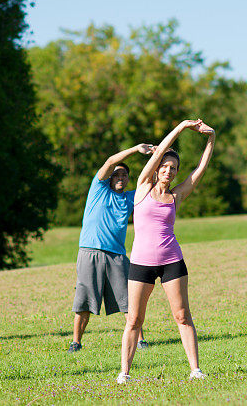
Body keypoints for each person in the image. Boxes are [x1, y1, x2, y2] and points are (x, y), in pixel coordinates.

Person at [118, 119, 215, 384]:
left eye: (174, 169)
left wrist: (211, 138)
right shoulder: (142, 188)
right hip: (141, 263)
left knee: (182, 315)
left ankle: (195, 369)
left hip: (172, 260)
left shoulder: (176, 196)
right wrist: (182, 127)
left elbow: (200, 170)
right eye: (166, 167)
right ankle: (124, 373)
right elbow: (160, 151)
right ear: (157, 168)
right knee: (135, 320)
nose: (170, 172)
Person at [69, 144, 154, 353]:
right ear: (109, 177)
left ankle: (141, 341)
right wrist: (136, 149)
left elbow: (150, 182)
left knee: (129, 299)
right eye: (117, 174)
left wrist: (158, 156)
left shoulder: (129, 198)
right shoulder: (98, 189)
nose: (121, 178)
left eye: (125, 175)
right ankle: (76, 342)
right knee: (84, 300)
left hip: (117, 256)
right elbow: (109, 162)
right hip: (90, 252)